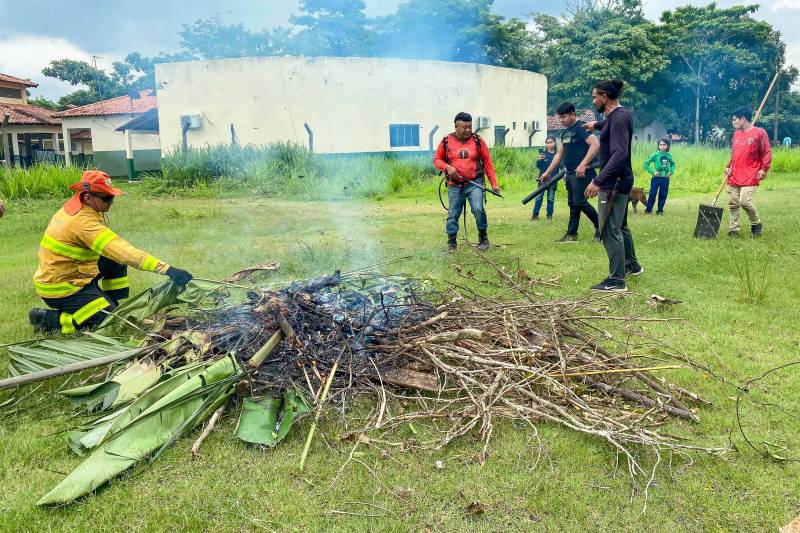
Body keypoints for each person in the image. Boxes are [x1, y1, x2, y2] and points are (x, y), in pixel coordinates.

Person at [29, 170, 194, 334]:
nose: (111, 202)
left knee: (113, 260)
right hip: (64, 288)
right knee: (110, 323)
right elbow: (124, 252)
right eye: (106, 198)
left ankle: (112, 304)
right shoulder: (83, 224)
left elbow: (114, 253)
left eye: (112, 197)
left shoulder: (77, 206)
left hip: (73, 274)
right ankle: (48, 319)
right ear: (88, 197)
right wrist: (168, 270)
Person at [584, 80, 643, 292]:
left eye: (595, 97)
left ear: (604, 97)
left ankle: (617, 279)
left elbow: (619, 154)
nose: (593, 101)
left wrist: (598, 181)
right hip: (622, 180)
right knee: (621, 226)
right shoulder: (619, 115)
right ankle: (632, 265)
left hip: (614, 183)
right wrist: (595, 125)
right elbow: (609, 125)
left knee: (609, 229)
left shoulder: (617, 119)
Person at [434, 112, 501, 251]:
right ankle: (452, 243)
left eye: (470, 127)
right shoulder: (446, 141)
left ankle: (483, 239)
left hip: (474, 183)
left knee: (478, 209)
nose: (468, 130)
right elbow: (437, 160)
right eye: (464, 127)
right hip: (454, 185)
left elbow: (488, 163)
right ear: (456, 126)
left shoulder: (477, 140)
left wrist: (494, 184)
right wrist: (447, 167)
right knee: (453, 214)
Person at [539, 102, 601, 243]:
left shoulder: (581, 127)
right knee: (573, 203)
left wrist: (583, 164)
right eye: (560, 117)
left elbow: (595, 144)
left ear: (573, 114)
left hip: (583, 173)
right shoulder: (565, 132)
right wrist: (547, 173)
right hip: (571, 173)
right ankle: (571, 234)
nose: (561, 120)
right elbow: (559, 155)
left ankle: (601, 226)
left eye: (564, 117)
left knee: (580, 202)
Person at [725, 107, 771, 238]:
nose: (732, 122)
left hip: (751, 174)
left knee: (744, 201)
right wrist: (728, 167)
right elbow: (735, 154)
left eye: (734, 120)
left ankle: (756, 223)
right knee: (733, 203)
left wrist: (764, 168)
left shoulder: (759, 133)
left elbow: (766, 151)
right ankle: (734, 230)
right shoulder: (736, 134)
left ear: (743, 119)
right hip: (735, 174)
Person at [643, 138, 676, 215]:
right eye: (660, 144)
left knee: (663, 194)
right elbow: (646, 163)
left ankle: (660, 210)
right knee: (652, 193)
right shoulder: (655, 155)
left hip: (665, 178)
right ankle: (648, 210)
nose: (662, 146)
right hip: (656, 178)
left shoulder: (669, 155)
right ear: (658, 146)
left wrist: (671, 172)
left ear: (667, 146)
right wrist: (653, 172)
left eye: (664, 145)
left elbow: (673, 164)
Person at [531, 136, 560, 220]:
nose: (550, 144)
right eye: (548, 143)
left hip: (553, 180)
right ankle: (535, 215)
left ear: (555, 143)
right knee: (539, 197)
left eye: (551, 142)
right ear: (546, 144)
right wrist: (539, 160)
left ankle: (549, 215)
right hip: (542, 179)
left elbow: (561, 166)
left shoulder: (558, 155)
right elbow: (539, 166)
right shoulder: (543, 154)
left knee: (551, 198)